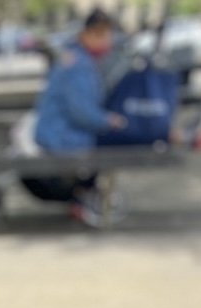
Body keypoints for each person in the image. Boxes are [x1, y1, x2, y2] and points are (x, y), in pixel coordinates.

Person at [27, 8, 127, 226]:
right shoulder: (78, 66)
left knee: (110, 140)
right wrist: (109, 121)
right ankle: (85, 199)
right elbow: (81, 112)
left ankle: (85, 197)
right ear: (88, 35)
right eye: (103, 36)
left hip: (59, 133)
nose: (108, 42)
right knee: (114, 140)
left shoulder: (75, 59)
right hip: (62, 137)